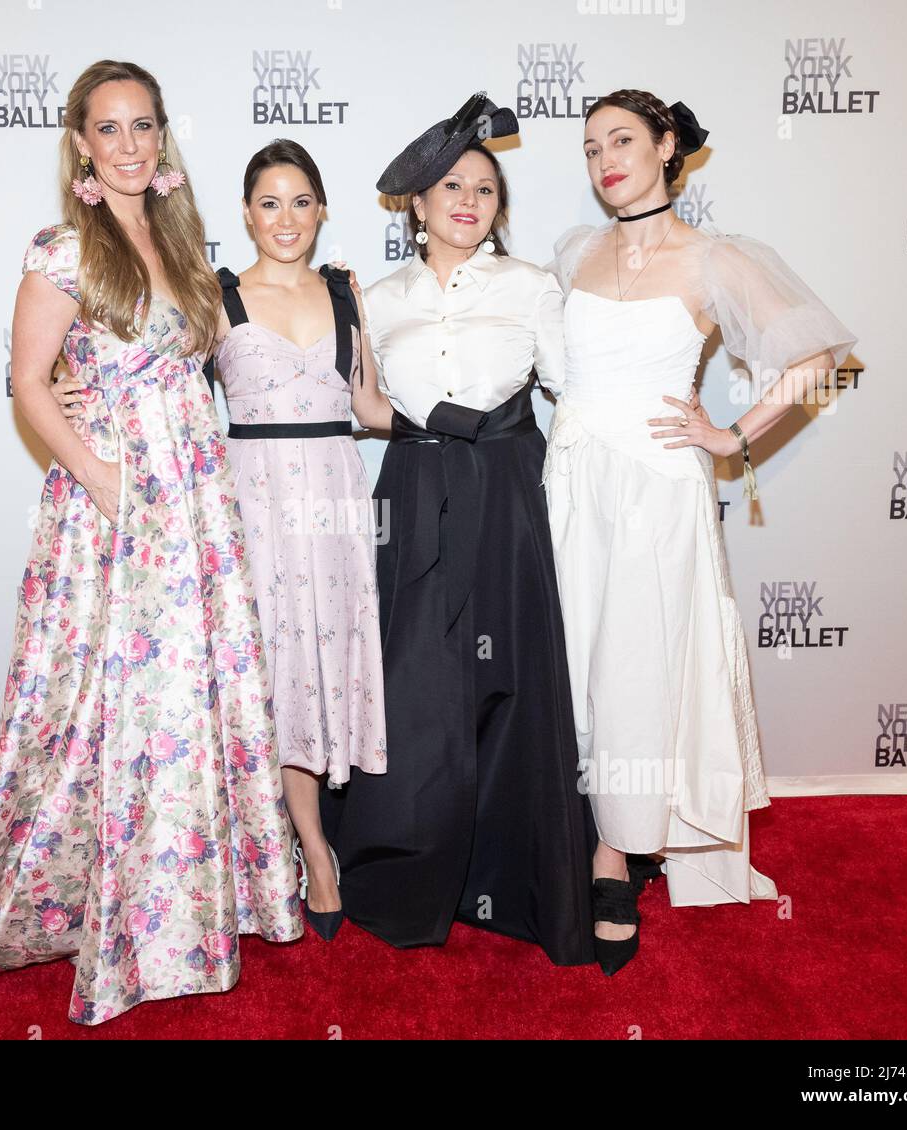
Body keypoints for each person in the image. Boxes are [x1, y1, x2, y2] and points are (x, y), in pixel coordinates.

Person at [0, 60, 302, 1024]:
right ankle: (117, 905)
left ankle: (184, 900)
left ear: (161, 137)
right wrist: (100, 478)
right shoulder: (63, 249)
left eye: (145, 126)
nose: (131, 145)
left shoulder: (181, 240)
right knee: (109, 696)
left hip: (193, 495)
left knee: (185, 692)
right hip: (116, 502)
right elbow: (26, 381)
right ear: (82, 146)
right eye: (111, 129)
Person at [542, 89, 858, 973]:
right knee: (574, 661)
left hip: (656, 491)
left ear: (666, 145)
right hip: (570, 483)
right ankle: (584, 824)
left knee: (638, 665)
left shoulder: (714, 258)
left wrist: (729, 438)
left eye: (624, 139)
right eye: (592, 144)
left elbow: (816, 357)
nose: (606, 157)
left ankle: (619, 854)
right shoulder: (573, 252)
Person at [54, 139, 392, 942]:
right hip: (251, 499)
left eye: (301, 202)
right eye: (269, 203)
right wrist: (67, 385)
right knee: (262, 672)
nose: (286, 219)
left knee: (318, 670)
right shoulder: (214, 292)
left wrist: (467, 433)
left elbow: (372, 405)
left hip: (336, 500)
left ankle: (302, 840)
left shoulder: (348, 291)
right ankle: (301, 846)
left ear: (321, 211)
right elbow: (147, 364)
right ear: (246, 214)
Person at [319, 93, 597, 968]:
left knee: (512, 677)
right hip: (415, 481)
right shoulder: (380, 295)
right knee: (416, 683)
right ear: (418, 204)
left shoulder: (532, 286)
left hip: (508, 484)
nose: (468, 200)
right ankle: (409, 869)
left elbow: (575, 393)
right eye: (451, 186)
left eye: (484, 187)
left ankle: (513, 874)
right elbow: (365, 408)